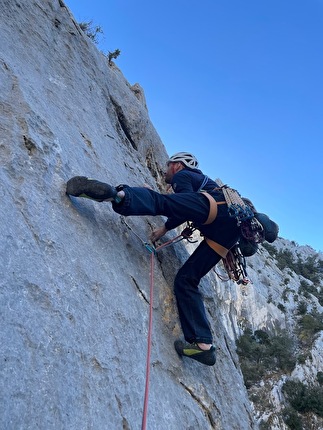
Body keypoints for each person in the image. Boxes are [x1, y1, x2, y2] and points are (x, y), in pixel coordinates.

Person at [66, 152, 241, 366]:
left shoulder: (183, 176)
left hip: (213, 210)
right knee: (187, 280)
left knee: (160, 201)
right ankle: (204, 346)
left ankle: (117, 195)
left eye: (168, 166)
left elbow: (181, 204)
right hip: (229, 234)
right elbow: (186, 206)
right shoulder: (208, 184)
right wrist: (165, 227)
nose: (165, 171)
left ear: (177, 165)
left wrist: (159, 202)